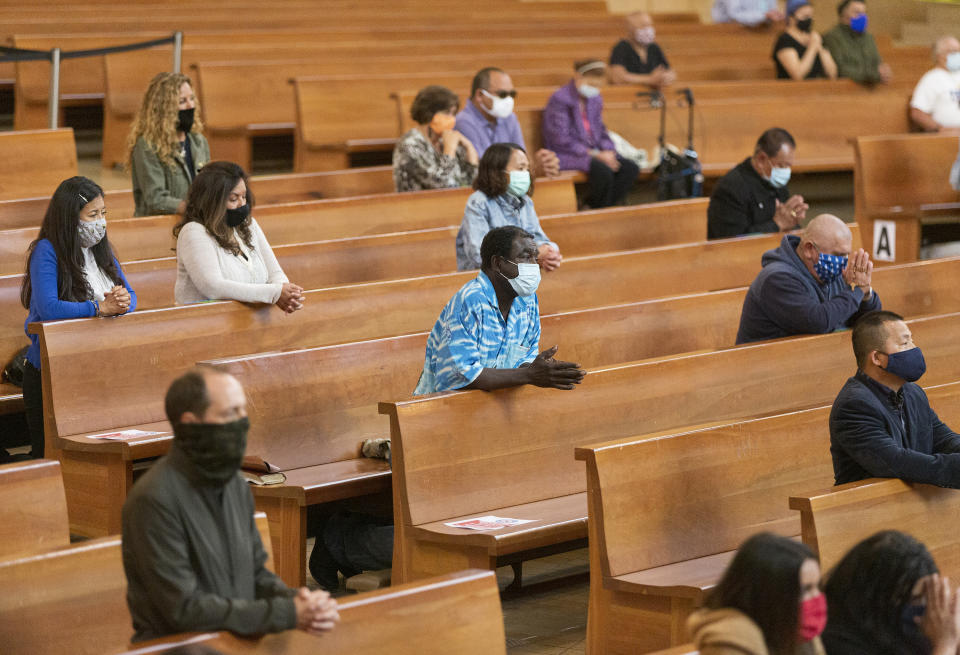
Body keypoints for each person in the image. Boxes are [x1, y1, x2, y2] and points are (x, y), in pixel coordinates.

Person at [122, 367, 339, 641]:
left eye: (242, 412)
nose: (242, 423)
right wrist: (285, 613)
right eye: (229, 414)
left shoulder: (235, 485)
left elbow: (256, 574)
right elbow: (184, 610)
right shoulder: (153, 500)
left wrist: (300, 601)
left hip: (232, 639)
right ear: (191, 424)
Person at [20, 176, 137, 459]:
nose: (100, 222)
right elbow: (49, 309)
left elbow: (131, 295)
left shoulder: (102, 250)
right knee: (49, 455)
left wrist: (123, 302)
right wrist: (98, 309)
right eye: (93, 215)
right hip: (52, 371)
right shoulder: (47, 251)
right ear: (70, 217)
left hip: (97, 366)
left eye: (103, 214)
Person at [414, 225, 585, 395]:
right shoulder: (470, 301)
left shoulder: (527, 300)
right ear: (497, 263)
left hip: (490, 405)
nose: (534, 266)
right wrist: (529, 374)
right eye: (525, 257)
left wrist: (542, 370)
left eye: (535, 258)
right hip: (441, 410)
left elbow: (522, 362)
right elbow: (460, 376)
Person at [830, 310, 960, 488]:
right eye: (905, 343)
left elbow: (943, 439)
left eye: (912, 340)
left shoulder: (913, 393)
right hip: (869, 510)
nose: (914, 348)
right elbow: (895, 461)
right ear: (877, 358)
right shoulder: (854, 405)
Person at [173, 161, 303, 311]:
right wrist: (273, 293)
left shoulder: (249, 225)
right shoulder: (194, 232)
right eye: (233, 199)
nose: (242, 204)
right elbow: (213, 287)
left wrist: (287, 293)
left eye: (244, 196)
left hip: (247, 320)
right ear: (212, 201)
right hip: (203, 324)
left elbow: (275, 273)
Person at [736, 213, 880, 344]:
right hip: (766, 366)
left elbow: (868, 323)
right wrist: (857, 291)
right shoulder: (776, 278)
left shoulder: (832, 273)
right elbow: (818, 323)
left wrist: (866, 294)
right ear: (809, 249)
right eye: (838, 254)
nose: (843, 262)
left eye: (846, 255)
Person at [822, 530, 960, 655]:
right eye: (916, 598)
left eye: (929, 597)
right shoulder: (838, 643)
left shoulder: (904, 628)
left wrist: (955, 636)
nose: (926, 606)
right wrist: (946, 644)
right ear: (878, 596)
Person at [687, 532, 827, 655]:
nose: (817, 597)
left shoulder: (793, 625)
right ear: (772, 593)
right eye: (806, 589)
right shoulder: (731, 640)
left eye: (817, 586)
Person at [542, 60, 640, 209]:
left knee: (630, 168)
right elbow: (560, 138)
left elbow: (600, 130)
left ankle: (594, 206)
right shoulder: (560, 99)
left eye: (598, 85)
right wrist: (596, 154)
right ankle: (598, 209)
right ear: (578, 77)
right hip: (566, 153)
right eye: (592, 84)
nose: (595, 89)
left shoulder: (595, 99)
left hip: (595, 153)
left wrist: (609, 150)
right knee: (603, 171)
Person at [457, 143, 562, 272]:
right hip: (485, 283)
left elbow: (540, 240)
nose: (526, 174)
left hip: (519, 278)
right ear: (498, 172)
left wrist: (549, 251)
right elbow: (479, 255)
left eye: (527, 169)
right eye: (520, 168)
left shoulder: (525, 201)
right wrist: (531, 256)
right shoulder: (478, 203)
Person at [127, 72, 210, 217]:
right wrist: (192, 209)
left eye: (191, 98)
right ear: (164, 109)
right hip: (160, 226)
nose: (191, 105)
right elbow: (156, 199)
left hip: (194, 223)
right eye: (182, 101)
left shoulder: (198, 141)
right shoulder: (147, 146)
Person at [455, 67, 561, 177]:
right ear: (480, 95)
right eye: (502, 94)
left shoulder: (510, 118)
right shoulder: (463, 122)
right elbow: (484, 171)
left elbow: (521, 156)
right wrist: (533, 170)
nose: (509, 100)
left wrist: (541, 163)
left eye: (512, 94)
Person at [707, 128, 808, 240]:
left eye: (789, 166)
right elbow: (732, 241)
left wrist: (793, 221)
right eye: (781, 166)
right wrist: (777, 224)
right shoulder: (730, 188)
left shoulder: (777, 184)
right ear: (761, 159)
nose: (786, 172)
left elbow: (786, 223)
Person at [393, 85, 479, 192]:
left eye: (453, 113)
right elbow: (442, 186)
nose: (452, 118)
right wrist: (449, 151)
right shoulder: (410, 145)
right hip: (418, 206)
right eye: (447, 113)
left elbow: (470, 185)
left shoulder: (445, 141)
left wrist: (470, 150)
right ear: (429, 113)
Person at [823, 0, 892, 85]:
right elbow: (841, 69)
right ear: (843, 15)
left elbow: (877, 62)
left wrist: (883, 71)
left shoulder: (868, 37)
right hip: (846, 90)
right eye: (857, 12)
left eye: (864, 13)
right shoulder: (832, 37)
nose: (862, 17)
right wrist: (874, 75)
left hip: (872, 89)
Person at [608, 12, 676, 89]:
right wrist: (649, 79)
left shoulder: (654, 47)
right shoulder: (621, 47)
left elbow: (669, 71)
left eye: (650, 25)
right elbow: (618, 78)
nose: (648, 29)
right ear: (630, 28)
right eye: (643, 25)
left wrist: (666, 77)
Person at [774, 0, 838, 80]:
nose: (809, 20)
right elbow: (798, 75)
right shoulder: (784, 40)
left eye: (811, 16)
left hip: (818, 88)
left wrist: (820, 48)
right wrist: (813, 48)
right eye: (805, 16)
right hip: (791, 90)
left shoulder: (815, 37)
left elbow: (832, 74)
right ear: (791, 18)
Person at [910, 36, 960, 132]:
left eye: (959, 51)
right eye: (953, 51)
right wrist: (940, 129)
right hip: (948, 138)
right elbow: (917, 113)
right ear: (939, 55)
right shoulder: (931, 79)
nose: (958, 55)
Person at [712, 0, 785, 27]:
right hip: (728, 33)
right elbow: (735, 14)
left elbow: (771, 10)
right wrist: (764, 15)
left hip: (761, 30)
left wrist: (777, 15)